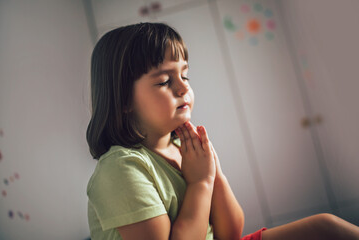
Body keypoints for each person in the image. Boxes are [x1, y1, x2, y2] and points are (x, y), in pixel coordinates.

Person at [86, 22, 359, 240]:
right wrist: (200, 183)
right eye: (165, 81)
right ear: (123, 101)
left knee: (326, 228)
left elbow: (230, 233)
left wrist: (214, 174)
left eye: (185, 75)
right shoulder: (121, 169)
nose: (183, 88)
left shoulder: (185, 149)